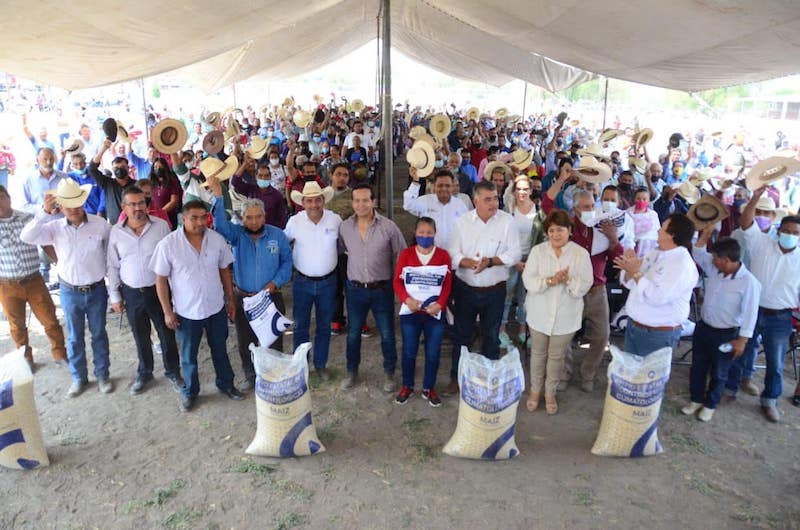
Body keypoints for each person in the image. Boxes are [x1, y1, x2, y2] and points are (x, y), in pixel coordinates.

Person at [20, 178, 113, 397]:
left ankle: (102, 376)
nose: (74, 209)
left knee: (99, 334)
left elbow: (110, 256)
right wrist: (44, 212)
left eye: (78, 203)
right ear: (60, 206)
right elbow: (27, 236)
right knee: (74, 337)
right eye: (68, 204)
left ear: (83, 202)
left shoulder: (101, 225)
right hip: (70, 291)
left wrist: (114, 288)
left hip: (97, 288)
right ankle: (79, 378)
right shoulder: (53, 228)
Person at [150, 200, 243, 412]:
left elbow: (224, 271)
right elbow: (161, 280)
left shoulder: (217, 240)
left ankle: (226, 384)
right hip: (186, 312)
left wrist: (230, 299)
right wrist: (167, 312)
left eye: (203, 217)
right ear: (184, 219)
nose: (200, 222)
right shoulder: (169, 244)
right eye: (194, 218)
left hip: (215, 307)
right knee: (189, 356)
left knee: (220, 349)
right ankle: (191, 392)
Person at [207, 176, 292, 389]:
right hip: (243, 297)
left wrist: (275, 282)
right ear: (242, 218)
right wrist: (219, 196)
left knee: (273, 339)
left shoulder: (277, 235)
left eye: (258, 217)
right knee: (245, 341)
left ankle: (273, 374)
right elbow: (220, 226)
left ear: (264, 216)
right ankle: (251, 375)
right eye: (249, 217)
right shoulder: (236, 235)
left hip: (270, 297)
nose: (253, 221)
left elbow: (287, 263)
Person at [446, 180, 522, 395]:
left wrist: (492, 261)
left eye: (496, 198)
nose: (493, 203)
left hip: (494, 291)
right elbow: (452, 253)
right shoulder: (462, 223)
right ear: (475, 200)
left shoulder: (507, 221)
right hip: (466, 289)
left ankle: (489, 379)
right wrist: (467, 262)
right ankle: (457, 377)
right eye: (488, 199)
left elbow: (514, 254)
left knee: (491, 336)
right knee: (462, 335)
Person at [733, 187, 800, 422]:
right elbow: (745, 220)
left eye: (795, 232)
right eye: (787, 230)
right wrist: (753, 198)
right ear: (778, 229)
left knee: (776, 360)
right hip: (752, 309)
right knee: (741, 350)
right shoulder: (761, 244)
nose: (790, 234)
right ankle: (733, 387)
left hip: (781, 317)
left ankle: (770, 400)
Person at [107, 186, 182, 395]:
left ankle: (173, 371)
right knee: (140, 335)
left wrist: (175, 294)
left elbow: (172, 261)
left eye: (141, 203)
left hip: (158, 291)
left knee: (166, 332)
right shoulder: (116, 232)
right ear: (124, 207)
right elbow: (112, 265)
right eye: (132, 204)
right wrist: (115, 295)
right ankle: (145, 372)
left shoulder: (160, 227)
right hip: (131, 292)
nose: (138, 208)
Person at [682, 232, 760, 422]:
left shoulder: (749, 282)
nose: (712, 260)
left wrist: (742, 341)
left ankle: (710, 404)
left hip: (727, 334)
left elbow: (751, 314)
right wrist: (706, 233)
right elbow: (699, 251)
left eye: (715, 258)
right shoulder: (715, 267)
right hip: (704, 327)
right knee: (698, 366)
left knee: (719, 371)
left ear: (725, 260)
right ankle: (696, 399)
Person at [523, 210, 593, 414]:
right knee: (537, 353)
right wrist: (550, 281)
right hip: (539, 313)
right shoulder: (538, 251)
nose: (555, 234)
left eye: (560, 230)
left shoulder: (581, 253)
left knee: (556, 357)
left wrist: (567, 280)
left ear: (570, 231)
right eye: (551, 230)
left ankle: (550, 392)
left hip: (566, 316)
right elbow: (528, 281)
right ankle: (535, 391)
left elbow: (586, 284)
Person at [338, 183, 407, 391]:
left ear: (373, 202)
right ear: (352, 203)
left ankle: (389, 373)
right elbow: (341, 250)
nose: (361, 205)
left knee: (387, 333)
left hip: (381, 289)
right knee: (353, 332)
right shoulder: (344, 228)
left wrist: (398, 283)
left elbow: (401, 255)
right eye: (357, 200)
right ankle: (352, 372)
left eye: (365, 200)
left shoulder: (388, 227)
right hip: (355, 289)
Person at [0, 185, 66, 369]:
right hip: (6, 284)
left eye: (1, 197)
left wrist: (61, 263)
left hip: (34, 280)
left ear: (8, 197)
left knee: (50, 320)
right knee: (16, 325)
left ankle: (60, 354)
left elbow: (45, 243)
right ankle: (26, 359)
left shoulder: (27, 219)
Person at [614, 213, 699, 356]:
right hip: (635, 326)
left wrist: (635, 272)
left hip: (657, 334)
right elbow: (633, 283)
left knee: (648, 377)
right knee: (632, 374)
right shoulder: (655, 252)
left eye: (662, 228)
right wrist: (629, 268)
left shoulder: (681, 264)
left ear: (671, 235)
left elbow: (658, 297)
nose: (658, 230)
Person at [393, 217, 453, 407]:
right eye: (421, 232)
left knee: (433, 353)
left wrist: (441, 304)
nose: (425, 236)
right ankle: (407, 386)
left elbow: (447, 284)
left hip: (434, 313)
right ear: (415, 233)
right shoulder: (406, 254)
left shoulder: (443, 255)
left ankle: (429, 388)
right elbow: (397, 282)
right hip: (411, 312)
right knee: (409, 351)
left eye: (429, 233)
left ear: (435, 234)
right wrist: (407, 300)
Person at [284, 181, 340, 380]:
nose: (314, 205)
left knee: (325, 325)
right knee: (300, 326)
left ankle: (320, 364)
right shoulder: (294, 222)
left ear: (323, 200)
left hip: (328, 282)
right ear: (303, 203)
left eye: (318, 200)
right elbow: (283, 245)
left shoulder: (335, 220)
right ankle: (300, 366)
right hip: (302, 282)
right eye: (309, 201)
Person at [499, 175, 542, 346]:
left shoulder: (537, 210)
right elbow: (502, 237)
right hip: (511, 258)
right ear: (514, 191)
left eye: (526, 189)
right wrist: (514, 261)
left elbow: (541, 237)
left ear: (531, 191)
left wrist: (532, 261)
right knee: (507, 295)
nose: (522, 192)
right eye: (518, 189)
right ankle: (501, 330)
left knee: (526, 297)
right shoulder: (508, 209)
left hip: (530, 259)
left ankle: (523, 330)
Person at [22, 147, 64, 285]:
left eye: (51, 159)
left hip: (63, 226)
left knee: (65, 261)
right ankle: (45, 284)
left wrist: (62, 208)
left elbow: (73, 201)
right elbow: (24, 206)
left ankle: (66, 285)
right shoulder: (28, 180)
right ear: (37, 160)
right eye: (45, 159)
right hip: (43, 228)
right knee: (47, 262)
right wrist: (44, 208)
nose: (48, 162)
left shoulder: (64, 178)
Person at [403, 168, 468, 249]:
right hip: (431, 254)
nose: (444, 189)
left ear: (452, 187)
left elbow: (466, 230)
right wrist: (415, 181)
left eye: (447, 186)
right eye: (440, 185)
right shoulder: (426, 201)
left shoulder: (460, 205)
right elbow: (408, 205)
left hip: (453, 254)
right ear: (434, 186)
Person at [324, 163, 354, 335]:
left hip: (350, 248)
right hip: (328, 248)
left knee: (352, 285)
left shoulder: (353, 196)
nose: (342, 177)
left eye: (345, 175)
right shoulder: (322, 195)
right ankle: (336, 319)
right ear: (331, 175)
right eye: (338, 174)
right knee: (334, 286)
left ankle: (358, 320)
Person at [230, 158, 288, 229]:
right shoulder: (250, 189)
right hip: (251, 230)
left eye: (266, 176)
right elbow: (235, 181)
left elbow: (282, 220)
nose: (263, 178)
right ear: (256, 177)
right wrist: (245, 164)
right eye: (260, 175)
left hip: (269, 232)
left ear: (270, 177)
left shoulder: (276, 195)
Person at [89, 139, 136, 224]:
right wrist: (103, 148)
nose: (119, 170)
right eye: (116, 168)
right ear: (113, 170)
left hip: (134, 225)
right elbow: (92, 169)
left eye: (122, 167)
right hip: (114, 227)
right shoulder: (107, 183)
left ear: (128, 168)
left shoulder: (136, 185)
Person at [147, 158, 182, 228]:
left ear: (165, 167)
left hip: (169, 217)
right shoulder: (150, 183)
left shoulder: (172, 182)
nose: (158, 169)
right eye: (156, 167)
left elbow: (174, 201)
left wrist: (161, 213)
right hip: (153, 218)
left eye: (160, 167)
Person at [627, 186, 661, 257]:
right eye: (638, 199)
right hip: (632, 248)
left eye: (644, 199)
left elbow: (656, 232)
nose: (641, 201)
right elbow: (626, 231)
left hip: (650, 249)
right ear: (634, 199)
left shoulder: (653, 215)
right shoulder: (627, 213)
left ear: (648, 201)